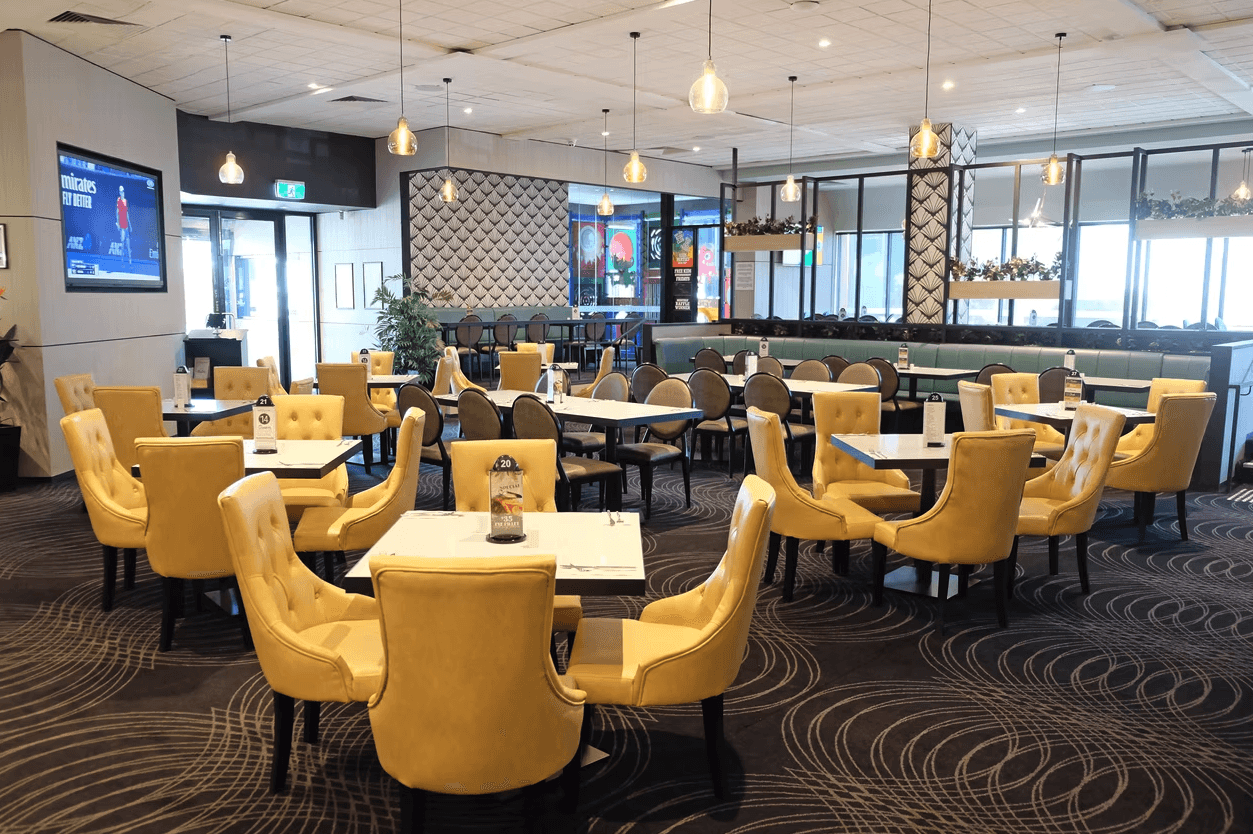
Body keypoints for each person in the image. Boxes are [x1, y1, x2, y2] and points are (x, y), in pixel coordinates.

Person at [116, 186, 131, 265]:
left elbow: (127, 213)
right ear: (119, 192)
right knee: (122, 242)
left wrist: (130, 224)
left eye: (123, 191)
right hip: (121, 225)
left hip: (126, 225)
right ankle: (122, 259)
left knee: (128, 243)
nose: (122, 193)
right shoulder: (118, 200)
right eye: (121, 192)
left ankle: (130, 259)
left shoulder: (125, 201)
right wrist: (118, 223)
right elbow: (117, 212)